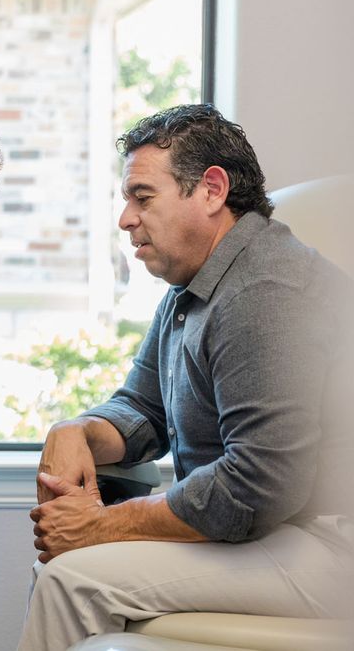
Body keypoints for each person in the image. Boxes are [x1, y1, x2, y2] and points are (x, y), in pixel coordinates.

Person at [19, 104, 354, 650]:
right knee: (67, 566)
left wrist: (101, 524)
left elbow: (257, 485)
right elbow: (143, 408)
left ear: (212, 190)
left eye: (142, 197)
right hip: (281, 531)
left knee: (70, 578)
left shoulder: (263, 291)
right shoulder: (193, 286)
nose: (126, 218)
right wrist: (75, 429)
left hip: (329, 544)